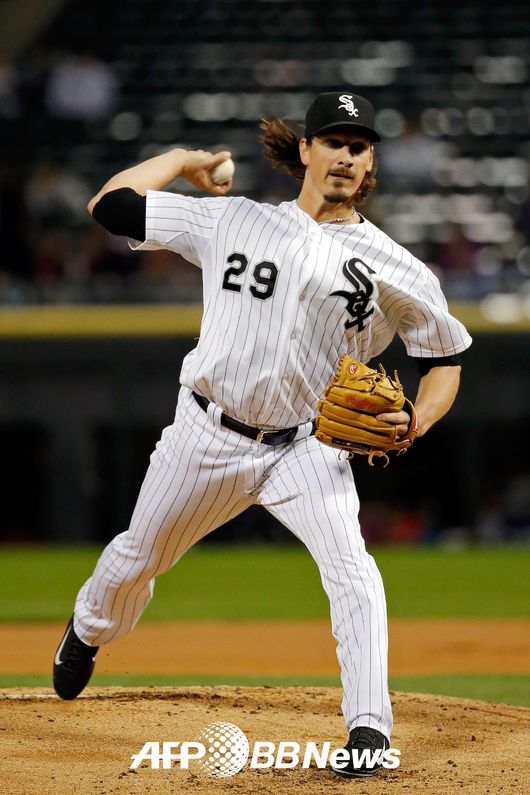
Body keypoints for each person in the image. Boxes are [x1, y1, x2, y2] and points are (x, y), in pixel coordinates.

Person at [52, 91, 472, 777]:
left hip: (308, 445)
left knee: (354, 572)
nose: (345, 155)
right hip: (205, 434)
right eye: (332, 141)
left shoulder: (397, 266)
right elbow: (110, 204)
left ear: (370, 164)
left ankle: (369, 727)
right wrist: (184, 160)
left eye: (358, 145)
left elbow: (445, 360)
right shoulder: (234, 219)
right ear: (304, 150)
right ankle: (89, 628)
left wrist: (420, 417)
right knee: (137, 558)